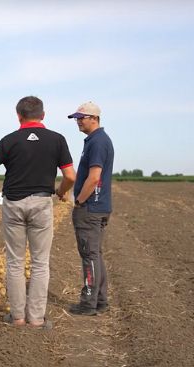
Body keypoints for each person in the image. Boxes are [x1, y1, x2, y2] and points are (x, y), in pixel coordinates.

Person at [0, 96, 76, 328]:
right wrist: (61, 191)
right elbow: (70, 176)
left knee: (15, 262)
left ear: (18, 115)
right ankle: (37, 319)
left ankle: (18, 317)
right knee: (40, 263)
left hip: (13, 204)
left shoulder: (9, 140)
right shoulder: (57, 140)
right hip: (41, 203)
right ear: (43, 115)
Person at [64, 102, 114, 316]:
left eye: (81, 117)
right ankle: (100, 301)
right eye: (77, 118)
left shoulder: (98, 142)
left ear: (94, 118)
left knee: (89, 255)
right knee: (95, 254)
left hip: (91, 208)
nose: (78, 121)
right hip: (99, 206)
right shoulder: (97, 140)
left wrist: (80, 201)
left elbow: (94, 177)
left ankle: (88, 303)